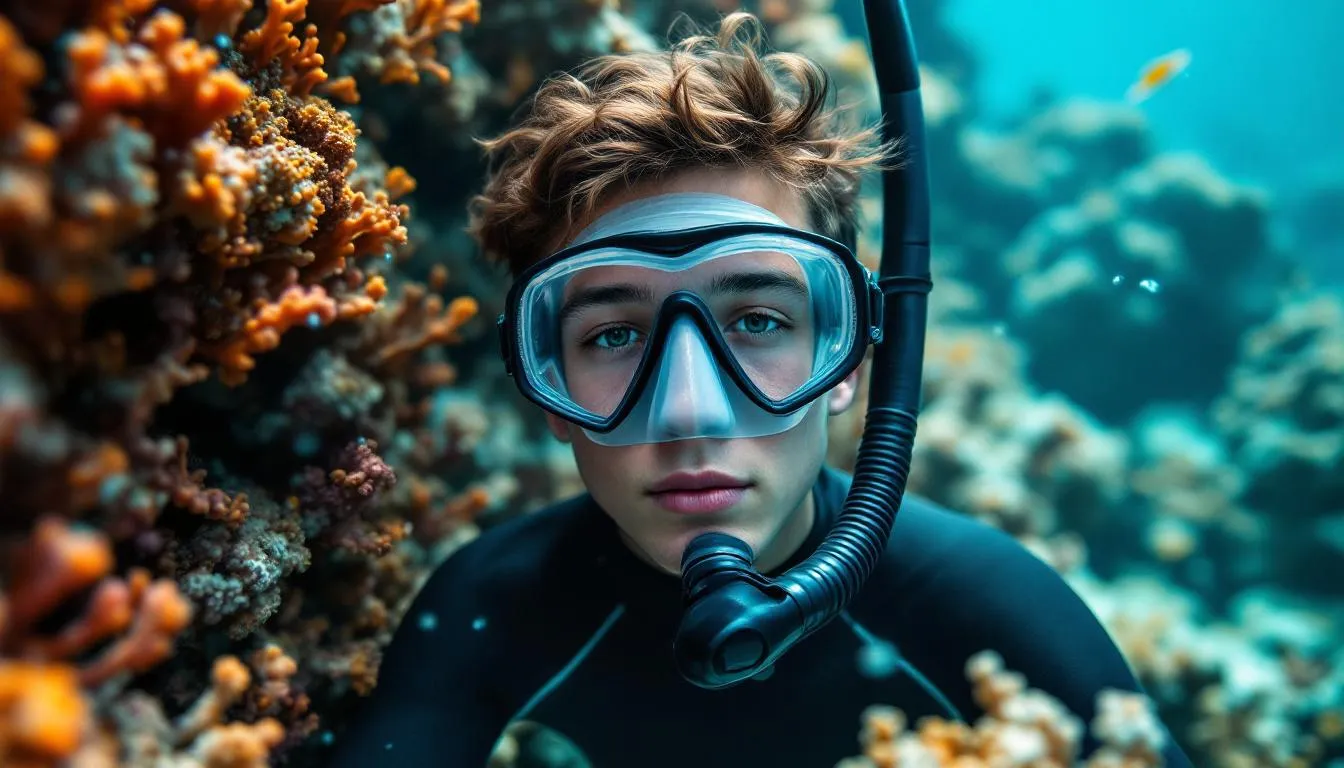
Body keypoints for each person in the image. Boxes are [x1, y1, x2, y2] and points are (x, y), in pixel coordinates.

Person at [329, 13, 1193, 768]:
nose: (691, 411)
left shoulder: (986, 607)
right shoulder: (487, 610)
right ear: (546, 387)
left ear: (851, 361)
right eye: (614, 335)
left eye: (760, 322)